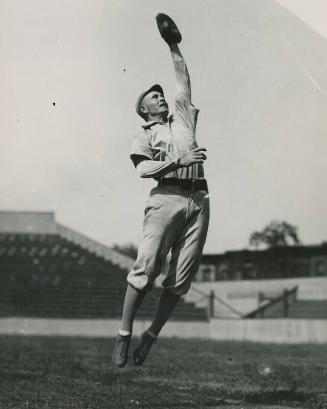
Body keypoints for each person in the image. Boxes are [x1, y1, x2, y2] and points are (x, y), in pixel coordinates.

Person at [112, 13, 209, 368]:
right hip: (165, 197)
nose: (162, 97)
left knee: (180, 278)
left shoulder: (181, 116)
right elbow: (142, 169)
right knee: (146, 268)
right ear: (144, 108)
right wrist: (177, 160)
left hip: (199, 198)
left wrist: (173, 45)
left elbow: (182, 80)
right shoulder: (145, 134)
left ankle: (150, 336)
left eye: (161, 94)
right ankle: (124, 335)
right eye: (155, 96)